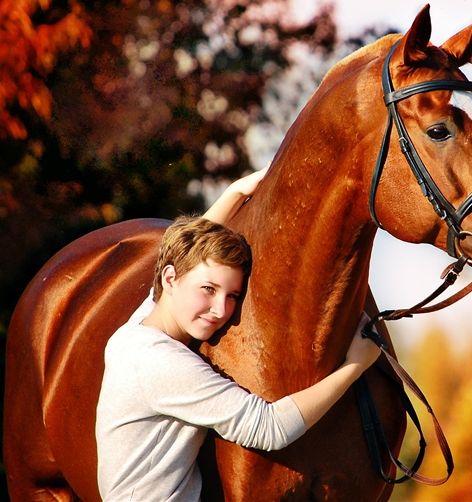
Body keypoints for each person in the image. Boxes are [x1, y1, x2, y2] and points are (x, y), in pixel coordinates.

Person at [95, 166, 381, 501]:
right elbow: (270, 428)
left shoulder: (136, 332)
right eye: (208, 289)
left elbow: (179, 256)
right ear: (170, 280)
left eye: (232, 295)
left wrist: (236, 192)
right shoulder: (159, 363)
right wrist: (354, 366)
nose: (220, 310)